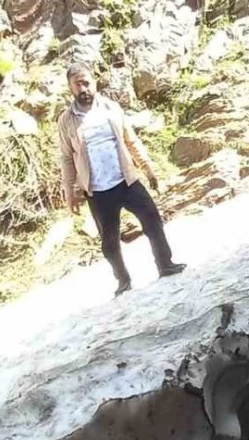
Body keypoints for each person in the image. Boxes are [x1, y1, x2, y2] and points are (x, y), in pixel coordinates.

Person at [57, 63, 185, 295]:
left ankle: (165, 264)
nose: (83, 88)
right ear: (70, 89)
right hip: (97, 190)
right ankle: (123, 280)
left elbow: (130, 139)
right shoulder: (66, 121)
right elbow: (67, 158)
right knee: (109, 242)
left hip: (126, 180)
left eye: (86, 82)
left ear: (94, 81)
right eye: (78, 85)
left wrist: (148, 168)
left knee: (152, 219)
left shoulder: (110, 107)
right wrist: (70, 191)